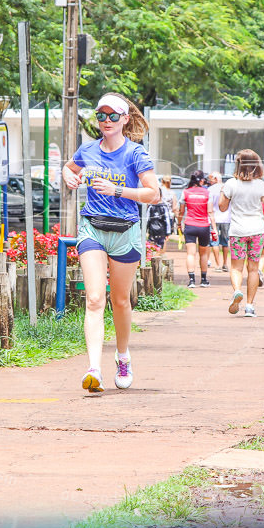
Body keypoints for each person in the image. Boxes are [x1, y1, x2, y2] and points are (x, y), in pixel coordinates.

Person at [63, 92, 159, 392]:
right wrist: (68, 176)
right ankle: (93, 368)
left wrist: (118, 190)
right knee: (94, 299)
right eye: (101, 115)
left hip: (125, 232)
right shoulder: (88, 150)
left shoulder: (135, 154)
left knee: (120, 301)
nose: (106, 120)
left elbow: (153, 194)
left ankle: (122, 355)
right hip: (92, 228)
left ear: (125, 119)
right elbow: (69, 167)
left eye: (113, 116)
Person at [219, 149, 264, 317]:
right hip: (257, 230)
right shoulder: (261, 185)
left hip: (237, 230)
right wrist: (263, 221)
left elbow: (222, 207)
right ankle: (250, 307)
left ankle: (237, 291)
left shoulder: (231, 184)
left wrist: (225, 193)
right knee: (253, 269)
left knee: (236, 268)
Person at [178, 170, 215, 288]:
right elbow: (210, 212)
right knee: (204, 254)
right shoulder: (207, 193)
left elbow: (181, 211)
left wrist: (179, 224)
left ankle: (192, 280)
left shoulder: (186, 192)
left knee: (190, 254)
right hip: (204, 226)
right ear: (202, 180)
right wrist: (214, 228)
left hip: (190, 225)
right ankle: (204, 280)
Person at [147, 176, 177, 254]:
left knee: (152, 240)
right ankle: (161, 254)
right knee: (163, 239)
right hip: (167, 217)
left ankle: (153, 255)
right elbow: (174, 207)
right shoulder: (171, 192)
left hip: (154, 218)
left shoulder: (158, 190)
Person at [207, 173, 229, 271]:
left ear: (215, 178)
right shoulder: (227, 188)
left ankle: (218, 264)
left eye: (210, 179)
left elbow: (209, 205)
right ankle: (225, 264)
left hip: (213, 219)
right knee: (225, 242)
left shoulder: (210, 190)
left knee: (214, 241)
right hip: (227, 219)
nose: (209, 181)